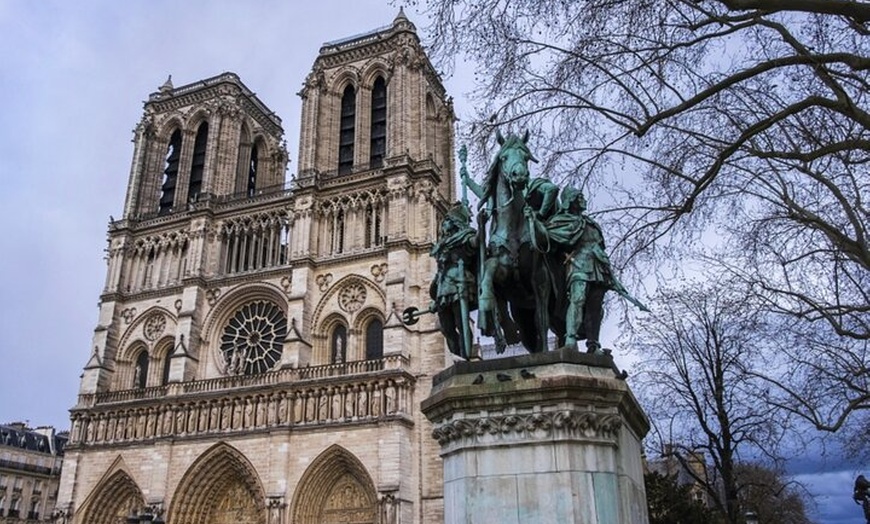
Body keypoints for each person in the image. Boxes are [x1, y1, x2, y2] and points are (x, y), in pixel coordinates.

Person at [547, 187, 648, 353]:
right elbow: (549, 238)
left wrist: (610, 274)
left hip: (598, 267)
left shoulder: (592, 224)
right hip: (577, 264)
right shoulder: (561, 220)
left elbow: (600, 248)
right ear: (571, 200)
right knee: (577, 300)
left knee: (595, 307)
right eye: (580, 197)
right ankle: (570, 339)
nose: (584, 200)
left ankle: (593, 344)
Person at [429, 203, 478, 357]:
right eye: (444, 222)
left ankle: (467, 355)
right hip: (444, 285)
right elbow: (439, 272)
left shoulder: (465, 237)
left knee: (461, 322)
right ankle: (457, 356)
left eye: (447, 221)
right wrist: (434, 298)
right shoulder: (441, 246)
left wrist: (481, 227)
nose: (444, 224)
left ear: (455, 222)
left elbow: (476, 245)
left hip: (459, 281)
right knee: (446, 328)